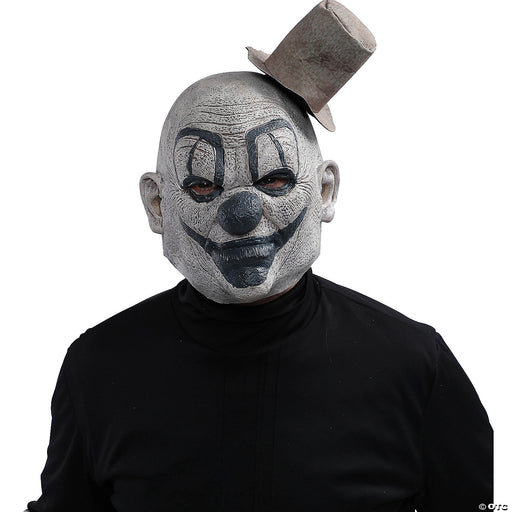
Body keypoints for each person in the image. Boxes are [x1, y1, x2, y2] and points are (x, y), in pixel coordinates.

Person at [27, 2, 492, 511]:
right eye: (202, 185)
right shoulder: (98, 369)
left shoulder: (412, 364)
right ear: (157, 205)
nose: (241, 214)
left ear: (325, 192)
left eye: (274, 178)